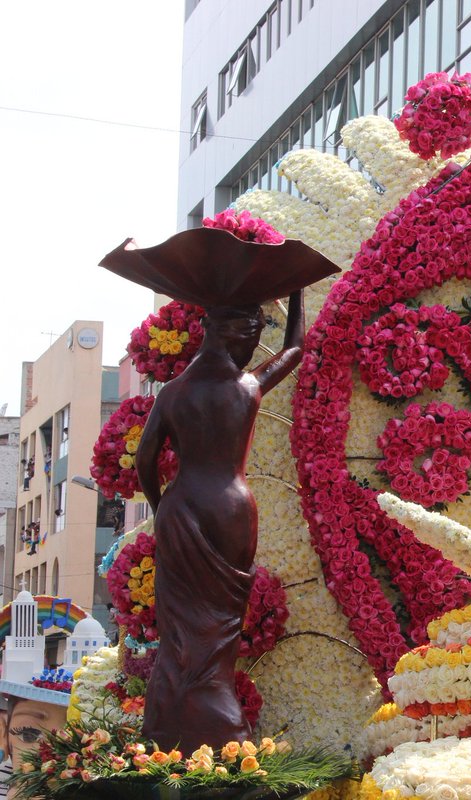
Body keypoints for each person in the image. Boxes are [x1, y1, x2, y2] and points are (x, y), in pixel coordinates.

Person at [136, 292, 305, 752]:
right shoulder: (247, 387)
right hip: (231, 510)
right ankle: (220, 730)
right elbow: (295, 350)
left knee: (178, 631)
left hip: (181, 505)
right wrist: (297, 289)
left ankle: (164, 731)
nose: (253, 349)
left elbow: (145, 459)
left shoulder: (172, 393)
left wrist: (161, 507)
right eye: (252, 337)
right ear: (232, 336)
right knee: (220, 631)